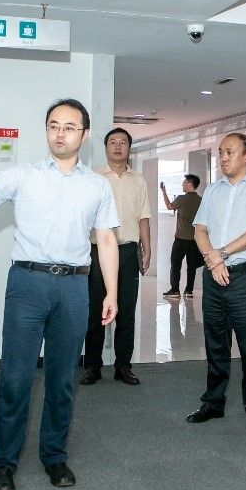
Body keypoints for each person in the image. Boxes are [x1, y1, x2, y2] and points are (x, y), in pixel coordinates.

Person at [0, 99, 120, 490]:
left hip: (74, 287)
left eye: (69, 127)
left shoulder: (97, 185)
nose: (60, 133)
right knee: (16, 377)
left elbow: (106, 239)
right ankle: (4, 464)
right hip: (27, 284)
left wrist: (111, 292)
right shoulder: (25, 175)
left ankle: (54, 456)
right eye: (54, 126)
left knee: (62, 378)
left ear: (84, 134)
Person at [185, 133, 246, 433]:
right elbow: (200, 230)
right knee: (215, 343)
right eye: (221, 152)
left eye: (230, 152)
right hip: (214, 276)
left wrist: (222, 254)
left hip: (245, 278)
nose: (223, 158)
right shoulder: (213, 190)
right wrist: (213, 260)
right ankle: (213, 403)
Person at [81, 128, 151, 386]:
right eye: (113, 142)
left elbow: (144, 217)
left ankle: (123, 366)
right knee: (95, 310)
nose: (118, 146)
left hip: (129, 251)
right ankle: (92, 366)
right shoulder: (93, 178)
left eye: (123, 142)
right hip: (98, 251)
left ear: (129, 148)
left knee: (127, 311)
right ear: (106, 147)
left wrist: (147, 247)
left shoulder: (139, 180)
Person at [161, 174, 202, 297]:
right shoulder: (201, 200)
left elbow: (169, 206)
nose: (182, 184)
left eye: (184, 182)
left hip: (181, 239)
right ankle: (189, 291)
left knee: (175, 263)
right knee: (191, 266)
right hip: (195, 240)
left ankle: (175, 290)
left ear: (190, 184)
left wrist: (163, 191)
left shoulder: (181, 198)